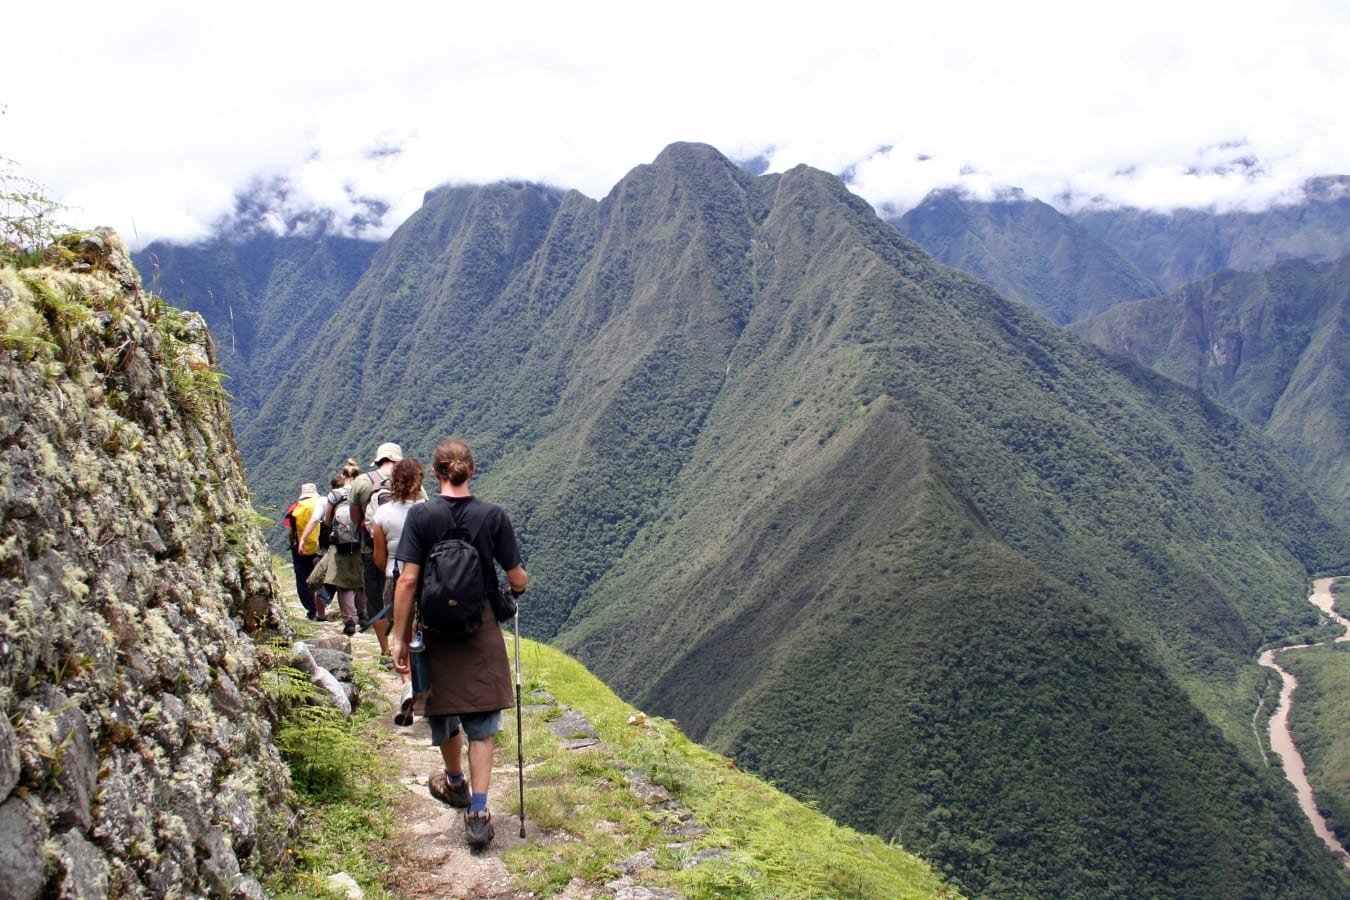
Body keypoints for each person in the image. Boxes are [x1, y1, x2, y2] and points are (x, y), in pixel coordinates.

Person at [392, 438, 527, 850]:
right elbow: (517, 578)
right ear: (472, 472)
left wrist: (399, 637)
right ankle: (480, 812)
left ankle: (454, 782)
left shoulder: (420, 516)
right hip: (479, 625)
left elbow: (408, 579)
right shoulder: (493, 517)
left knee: (444, 709)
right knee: (482, 720)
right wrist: (512, 592)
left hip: (433, 628)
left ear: (435, 474)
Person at [351, 442, 419, 661]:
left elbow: (355, 517)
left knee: (375, 602)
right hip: (410, 555)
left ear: (378, 460)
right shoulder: (412, 482)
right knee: (410, 602)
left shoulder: (363, 481)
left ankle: (385, 650)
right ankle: (411, 649)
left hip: (371, 550)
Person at [371, 457, 425, 724]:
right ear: (418, 481)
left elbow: (378, 557)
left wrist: (392, 568)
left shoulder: (382, 514)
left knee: (402, 632)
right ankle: (425, 686)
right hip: (426, 578)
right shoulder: (428, 510)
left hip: (395, 577)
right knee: (423, 631)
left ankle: (407, 684)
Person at [306, 459, 366, 635]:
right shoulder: (362, 492)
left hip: (340, 545)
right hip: (360, 543)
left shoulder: (334, 495)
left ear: (343, 476)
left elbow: (326, 520)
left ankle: (349, 621)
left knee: (344, 584)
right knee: (360, 582)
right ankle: (363, 615)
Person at [283, 483, 323, 619]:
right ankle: (322, 608)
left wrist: (293, 544)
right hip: (320, 547)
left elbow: (291, 531)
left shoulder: (296, 508)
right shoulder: (322, 504)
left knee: (303, 580)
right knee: (320, 578)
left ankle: (312, 610)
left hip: (302, 549)